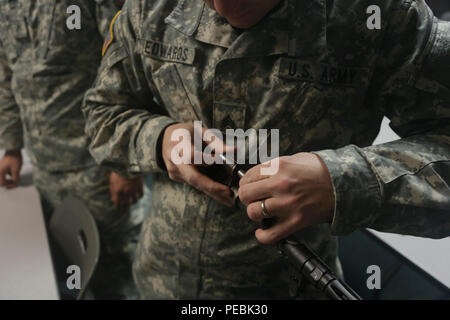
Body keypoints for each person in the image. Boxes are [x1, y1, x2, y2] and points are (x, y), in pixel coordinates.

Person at [82, 0, 450, 299]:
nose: (222, 5)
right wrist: (161, 140)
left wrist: (341, 181)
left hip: (288, 285)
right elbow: (102, 112)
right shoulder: (149, 8)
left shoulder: (381, 16)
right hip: (163, 279)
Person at [0, 0, 143, 299]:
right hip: (42, 167)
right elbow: (7, 77)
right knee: (71, 271)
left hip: (97, 167)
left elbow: (127, 63)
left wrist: (124, 162)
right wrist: (12, 147)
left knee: (122, 269)